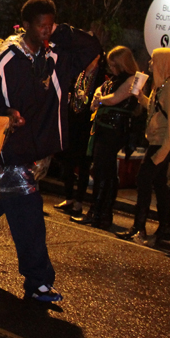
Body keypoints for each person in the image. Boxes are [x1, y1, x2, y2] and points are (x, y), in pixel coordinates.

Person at [0, 0, 101, 302]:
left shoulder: (58, 56)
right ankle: (38, 281)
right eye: (41, 25)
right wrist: (6, 114)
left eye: (50, 25)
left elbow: (92, 48)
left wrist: (62, 31)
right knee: (29, 216)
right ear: (26, 25)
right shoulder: (5, 62)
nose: (46, 31)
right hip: (10, 154)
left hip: (36, 154)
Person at [116, 48, 170, 241]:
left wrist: (163, 151)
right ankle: (165, 227)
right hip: (157, 141)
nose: (150, 64)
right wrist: (140, 98)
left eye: (154, 60)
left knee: (143, 181)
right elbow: (157, 110)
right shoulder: (161, 85)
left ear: (163, 62)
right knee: (159, 185)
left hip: (163, 143)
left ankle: (139, 227)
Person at [71, 47, 138, 229]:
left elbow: (114, 98)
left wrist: (100, 99)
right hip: (105, 126)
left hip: (114, 129)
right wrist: (100, 98)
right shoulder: (117, 79)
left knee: (103, 171)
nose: (110, 68)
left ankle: (99, 212)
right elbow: (101, 95)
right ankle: (100, 213)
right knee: (102, 170)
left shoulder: (134, 79)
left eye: (113, 64)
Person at [55, 54, 103, 219]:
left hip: (86, 124)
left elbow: (102, 100)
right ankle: (68, 197)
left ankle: (79, 202)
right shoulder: (80, 73)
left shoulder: (100, 76)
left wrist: (88, 99)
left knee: (83, 163)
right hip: (73, 119)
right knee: (68, 160)